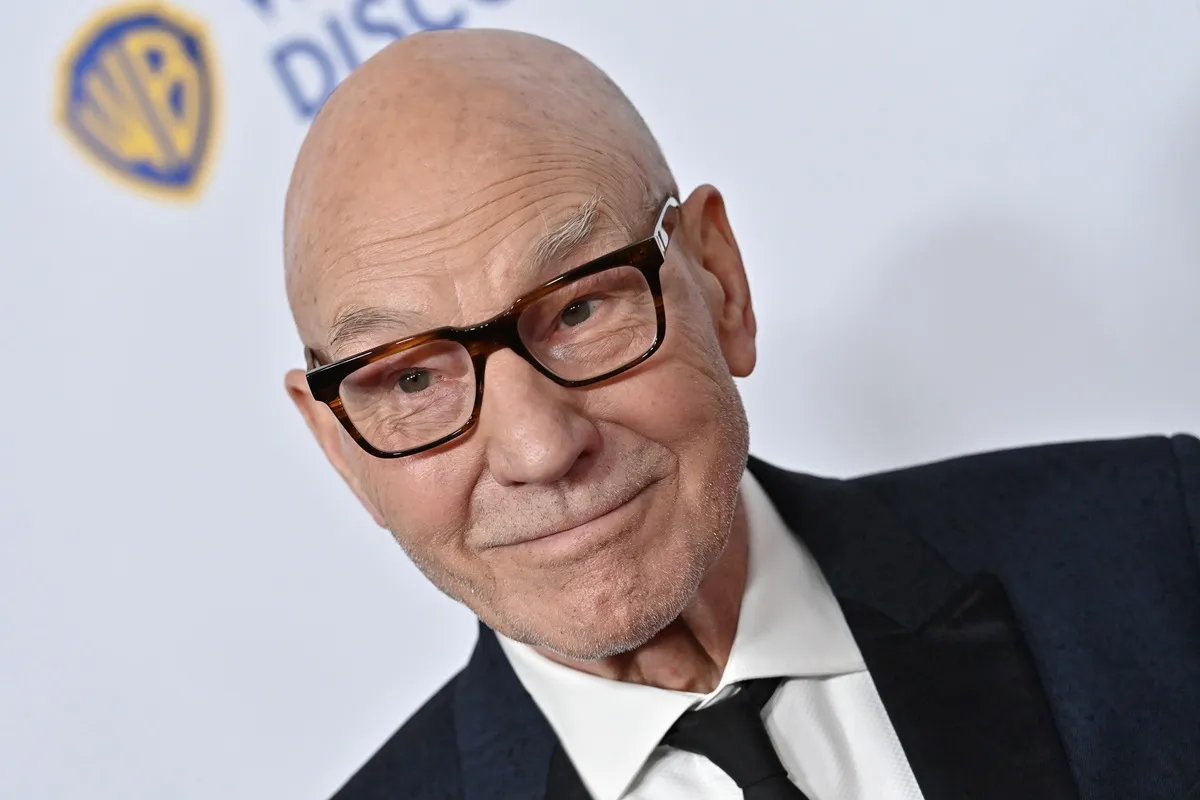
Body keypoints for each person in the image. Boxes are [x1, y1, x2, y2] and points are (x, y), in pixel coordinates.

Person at [281, 28, 1200, 800]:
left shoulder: (1162, 549)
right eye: (410, 381)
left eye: (579, 309)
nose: (538, 447)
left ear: (719, 278)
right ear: (338, 448)